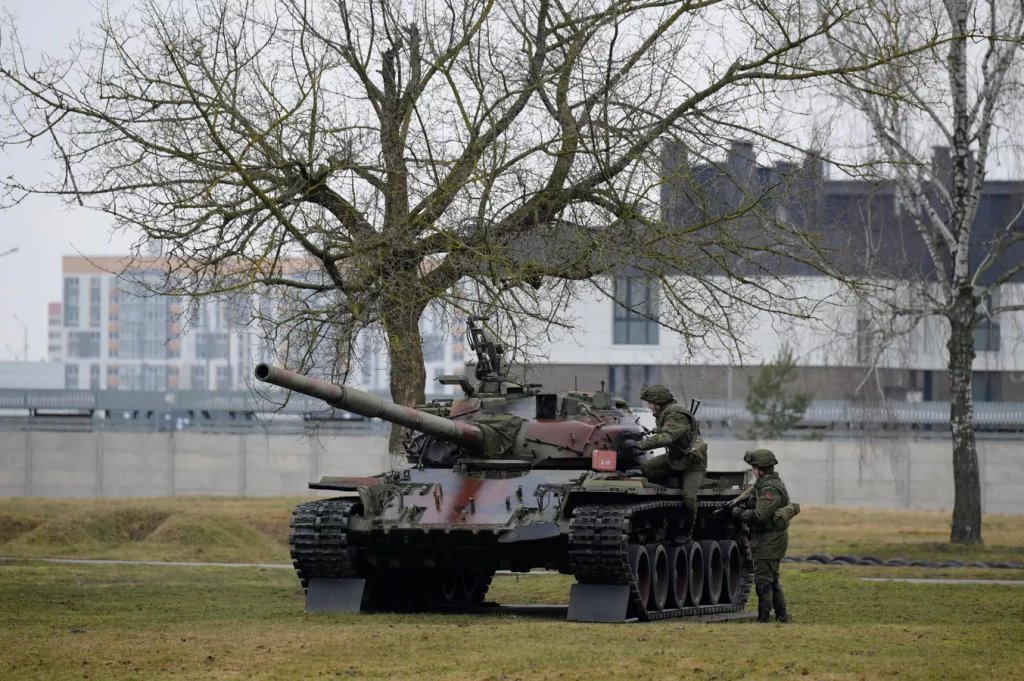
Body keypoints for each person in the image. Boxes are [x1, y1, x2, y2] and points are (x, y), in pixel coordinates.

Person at [621, 384, 707, 542]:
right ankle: (661, 493)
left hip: (692, 463)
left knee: (688, 499)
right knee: (645, 467)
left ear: (658, 402)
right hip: (673, 458)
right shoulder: (664, 414)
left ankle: (686, 531)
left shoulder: (677, 415)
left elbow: (667, 437)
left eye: (650, 403)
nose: (649, 406)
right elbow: (662, 432)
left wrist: (639, 445)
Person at [733, 448, 791, 623]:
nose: (752, 470)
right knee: (771, 579)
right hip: (770, 539)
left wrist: (738, 513)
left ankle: (764, 618)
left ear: (761, 469)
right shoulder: (766, 485)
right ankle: (781, 616)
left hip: (770, 540)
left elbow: (759, 515)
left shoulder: (769, 489)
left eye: (754, 467)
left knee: (763, 582)